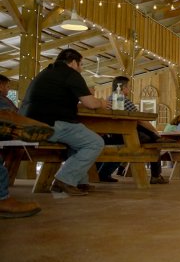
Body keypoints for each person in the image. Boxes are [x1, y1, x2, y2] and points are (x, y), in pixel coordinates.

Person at [20, 49, 107, 196]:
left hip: (29, 122)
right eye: (81, 65)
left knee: (78, 141)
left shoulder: (46, 73)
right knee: (95, 142)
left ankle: (80, 181)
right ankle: (64, 180)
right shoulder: (71, 74)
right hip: (50, 124)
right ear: (73, 62)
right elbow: (91, 104)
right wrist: (102, 103)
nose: (81, 68)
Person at [96, 76, 168, 184]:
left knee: (127, 145)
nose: (129, 89)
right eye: (129, 87)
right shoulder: (124, 100)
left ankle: (104, 174)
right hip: (124, 135)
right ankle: (156, 176)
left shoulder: (108, 99)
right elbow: (140, 120)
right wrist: (155, 131)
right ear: (123, 87)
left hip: (111, 135)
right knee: (154, 143)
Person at [0, 75, 41, 218]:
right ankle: (1, 199)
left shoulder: (6, 99)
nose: (7, 89)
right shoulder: (3, 99)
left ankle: (17, 124)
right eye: (6, 86)